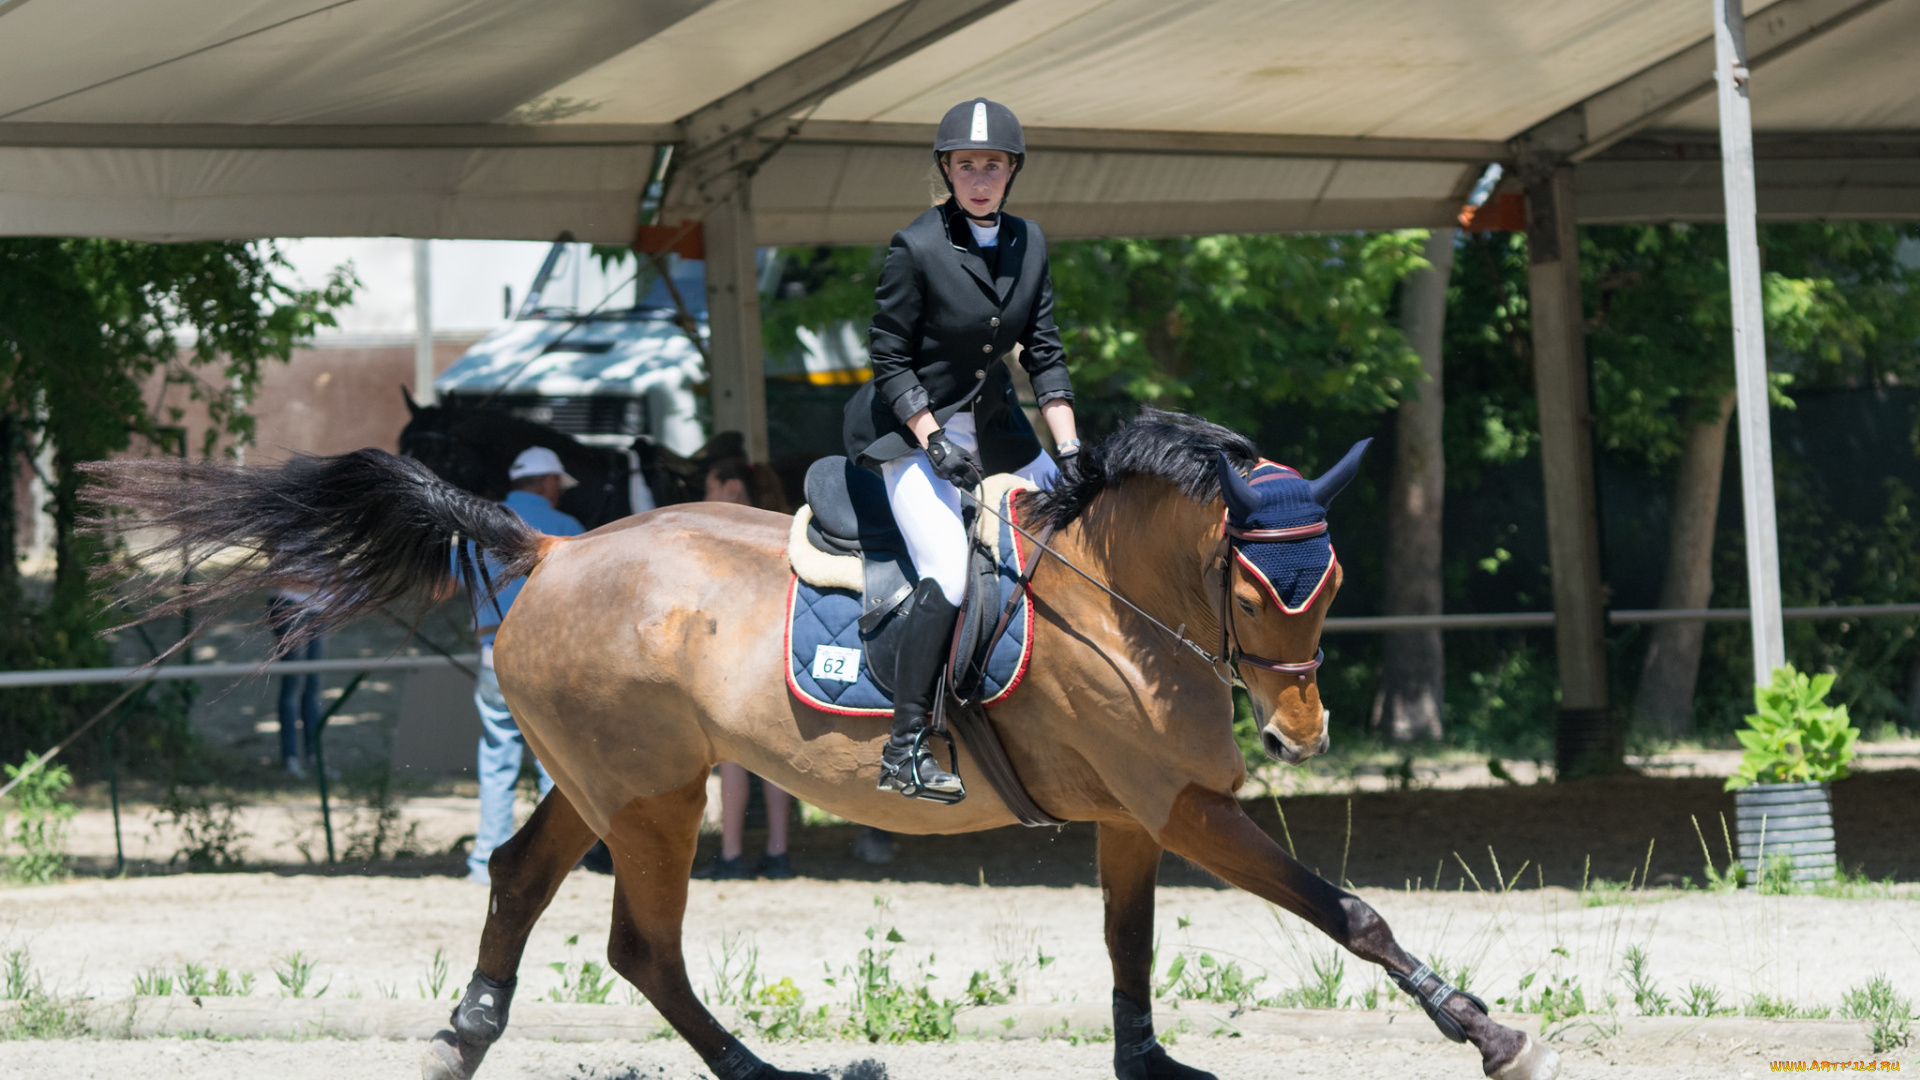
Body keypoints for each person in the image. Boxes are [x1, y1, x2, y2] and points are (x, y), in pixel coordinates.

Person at [842, 97, 1081, 802]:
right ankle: (905, 744)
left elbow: (1044, 354)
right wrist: (934, 440)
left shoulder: (1029, 241)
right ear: (947, 169)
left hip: (998, 426)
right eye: (967, 164)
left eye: (994, 165)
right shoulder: (914, 246)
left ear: (1012, 172)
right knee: (948, 568)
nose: (980, 177)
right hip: (909, 431)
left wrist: (1069, 451)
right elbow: (890, 361)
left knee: (1082, 532)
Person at [454, 445, 585, 885]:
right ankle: (552, 863)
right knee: (555, 763)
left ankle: (483, 863)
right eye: (557, 485)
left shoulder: (479, 528)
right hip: (550, 660)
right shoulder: (567, 528)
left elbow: (441, 584)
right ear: (548, 482)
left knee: (496, 759)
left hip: (492, 654)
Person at [694, 457, 796, 879]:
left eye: (711, 487)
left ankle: (731, 854)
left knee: (733, 759)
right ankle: (778, 853)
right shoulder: (782, 526)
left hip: (738, 650)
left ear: (732, 486)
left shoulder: (726, 534)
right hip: (779, 648)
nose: (706, 498)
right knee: (776, 762)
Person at [267, 587, 324, 777]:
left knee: (312, 683)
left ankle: (313, 757)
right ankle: (290, 758)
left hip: (319, 604)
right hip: (289, 601)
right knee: (293, 682)